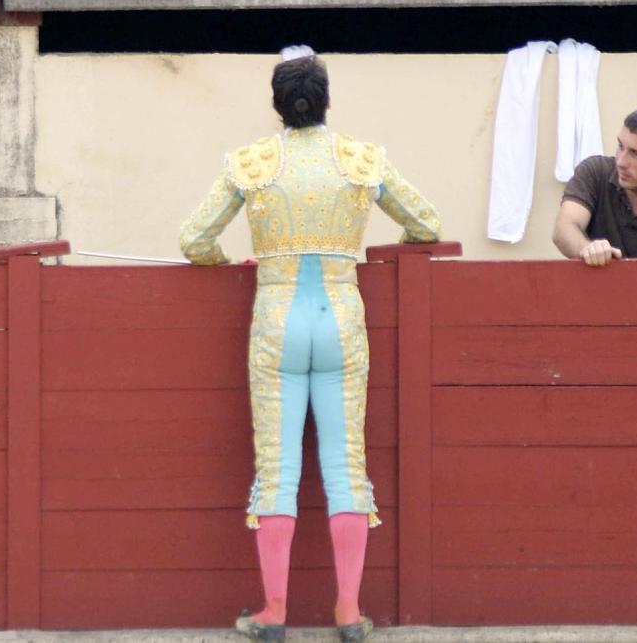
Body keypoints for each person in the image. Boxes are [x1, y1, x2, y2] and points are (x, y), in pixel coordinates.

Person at [179, 47, 442, 642]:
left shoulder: (252, 161)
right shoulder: (361, 160)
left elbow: (193, 238)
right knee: (346, 466)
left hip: (276, 320)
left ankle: (274, 613)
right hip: (342, 316)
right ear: (327, 103)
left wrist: (226, 262)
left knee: (277, 470)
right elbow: (426, 224)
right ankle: (348, 614)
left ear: (277, 106)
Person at [552, 107, 637, 274]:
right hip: (593, 295)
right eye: (620, 146)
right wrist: (587, 249)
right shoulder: (596, 173)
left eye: (635, 153)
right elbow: (564, 227)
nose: (621, 162)